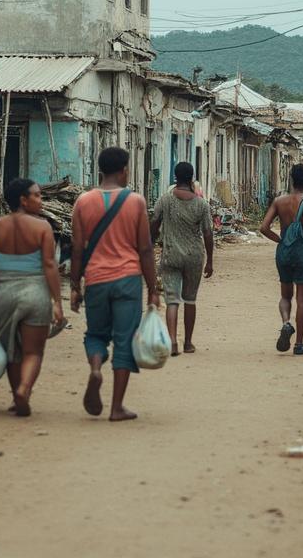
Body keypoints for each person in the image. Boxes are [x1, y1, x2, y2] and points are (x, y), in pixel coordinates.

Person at [70, 147, 161, 422]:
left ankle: (96, 369)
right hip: (127, 279)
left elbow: (76, 248)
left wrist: (75, 285)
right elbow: (145, 248)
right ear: (124, 170)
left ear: (100, 170)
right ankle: (116, 407)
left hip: (96, 279)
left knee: (96, 335)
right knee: (124, 340)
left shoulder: (83, 202)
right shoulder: (135, 202)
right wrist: (153, 289)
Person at [0, 178, 66, 417]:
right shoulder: (42, 227)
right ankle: (24, 390)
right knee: (33, 352)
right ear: (23, 200)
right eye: (36, 196)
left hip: (3, 295)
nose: (41, 199)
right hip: (35, 294)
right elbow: (49, 265)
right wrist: (57, 302)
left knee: (11, 350)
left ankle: (16, 394)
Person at [259, 163, 303, 355]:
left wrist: (280, 240)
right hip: (302, 253)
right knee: (302, 300)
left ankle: (286, 323)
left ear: (290, 179)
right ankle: (299, 344)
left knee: (285, 295)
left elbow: (264, 228)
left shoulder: (279, 201)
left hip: (283, 252)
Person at [150, 162, 214, 356]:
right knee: (190, 300)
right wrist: (210, 260)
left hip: (170, 255)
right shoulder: (201, 204)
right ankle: (187, 342)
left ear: (175, 177)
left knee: (172, 300)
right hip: (194, 257)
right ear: (192, 178)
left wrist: (151, 244)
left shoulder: (165, 200)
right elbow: (208, 233)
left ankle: (172, 342)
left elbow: (154, 224)